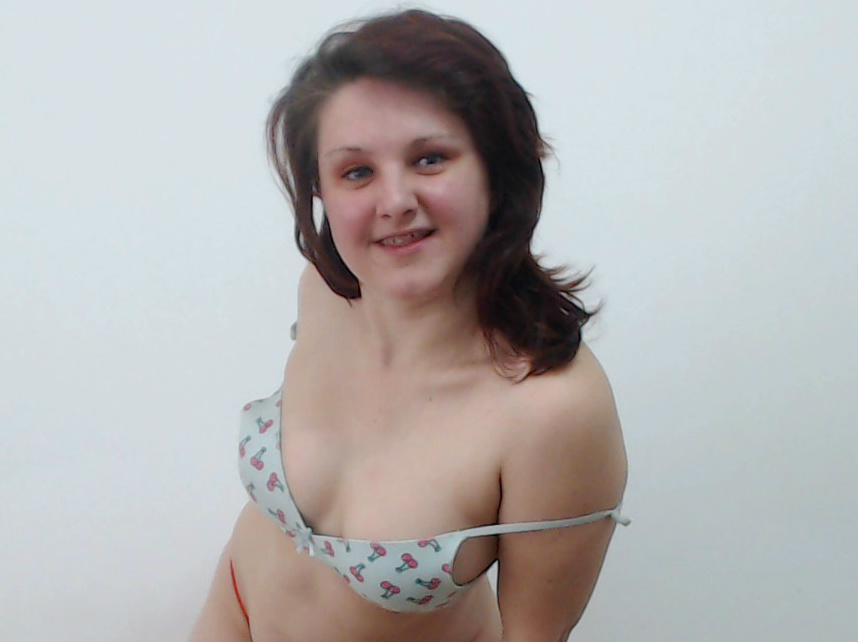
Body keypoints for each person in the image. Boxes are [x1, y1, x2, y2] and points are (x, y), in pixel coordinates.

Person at [191, 9, 628, 642]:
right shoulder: (326, 294)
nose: (394, 201)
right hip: (230, 614)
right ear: (320, 189)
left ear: (497, 168)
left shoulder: (553, 409)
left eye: (429, 159)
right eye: (357, 172)